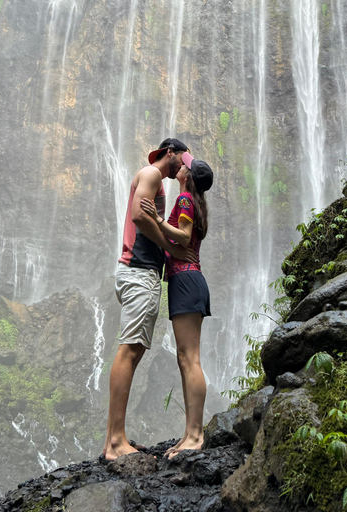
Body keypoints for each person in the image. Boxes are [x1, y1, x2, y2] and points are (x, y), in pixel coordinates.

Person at [102, 138, 197, 462]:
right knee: (129, 350)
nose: (184, 167)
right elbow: (139, 217)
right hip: (139, 271)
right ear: (169, 153)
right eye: (182, 160)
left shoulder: (155, 181)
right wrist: (171, 248)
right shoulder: (152, 175)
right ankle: (115, 442)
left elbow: (148, 219)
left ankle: (116, 438)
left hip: (140, 272)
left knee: (134, 349)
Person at [140, 151, 213, 458]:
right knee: (185, 359)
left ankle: (195, 435)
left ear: (188, 176)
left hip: (186, 280)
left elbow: (183, 238)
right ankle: (189, 434)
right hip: (186, 280)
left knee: (190, 359)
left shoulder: (184, 199)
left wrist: (155, 218)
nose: (179, 166)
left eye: (184, 166)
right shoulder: (192, 202)